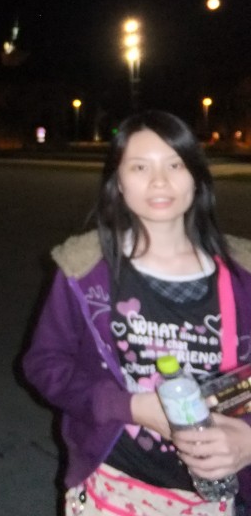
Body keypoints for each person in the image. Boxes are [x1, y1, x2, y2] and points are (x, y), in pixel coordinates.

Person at [22, 110, 251, 516]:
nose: (159, 181)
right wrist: (128, 406)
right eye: (140, 167)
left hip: (216, 496)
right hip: (112, 485)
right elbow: (44, 364)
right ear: (118, 182)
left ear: (197, 177)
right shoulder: (84, 270)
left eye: (175, 165)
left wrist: (247, 441)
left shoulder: (244, 275)